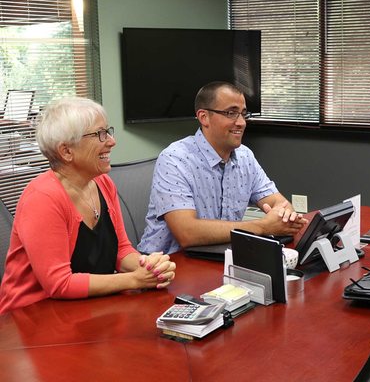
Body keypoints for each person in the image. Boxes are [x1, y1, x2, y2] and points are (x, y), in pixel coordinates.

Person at [0, 97, 176, 314]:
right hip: (30, 320)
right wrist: (134, 280)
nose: (111, 141)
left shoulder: (102, 183)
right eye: (99, 134)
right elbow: (59, 284)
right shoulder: (43, 198)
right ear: (66, 151)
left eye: (108, 131)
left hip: (83, 309)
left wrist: (149, 267)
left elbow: (120, 250)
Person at [138, 81, 307, 254]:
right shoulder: (175, 159)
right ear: (204, 117)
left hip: (219, 259)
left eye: (243, 113)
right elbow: (187, 233)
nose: (241, 122)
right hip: (166, 266)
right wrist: (263, 226)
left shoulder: (244, 156)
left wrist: (285, 216)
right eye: (231, 113)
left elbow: (279, 203)